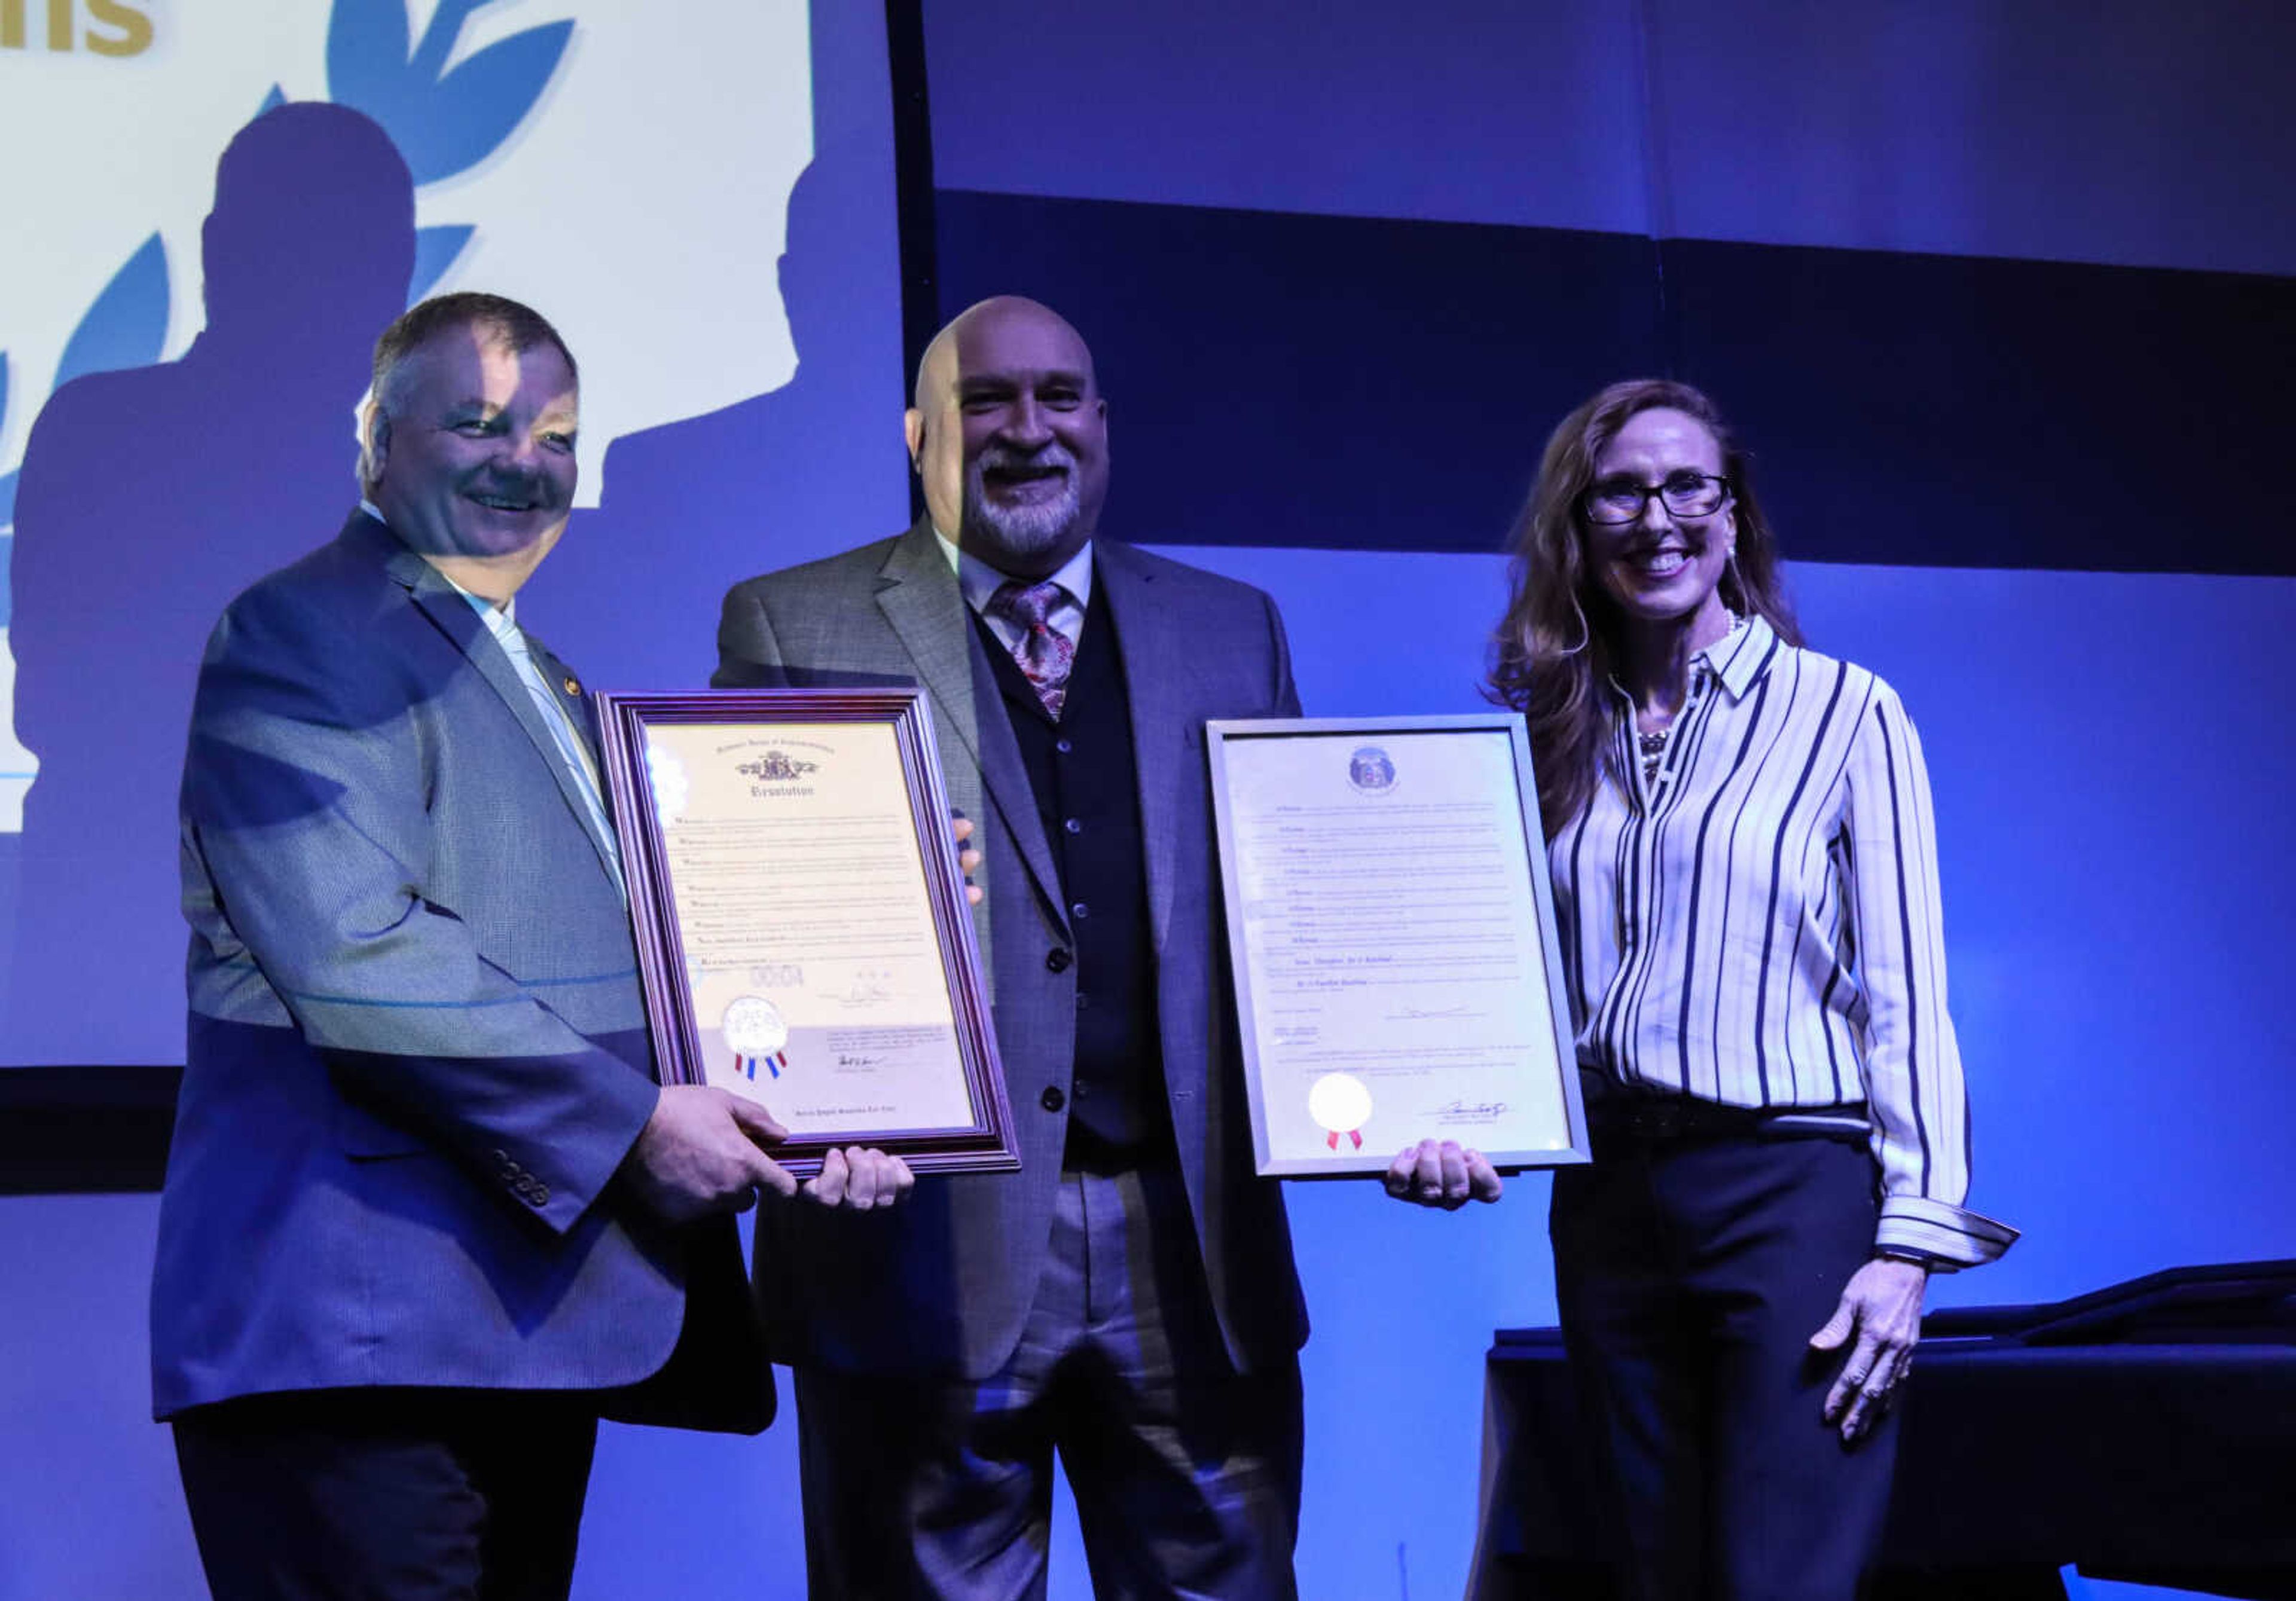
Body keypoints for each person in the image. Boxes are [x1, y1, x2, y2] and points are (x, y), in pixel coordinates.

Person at [151, 292, 911, 1600]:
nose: (527, 461)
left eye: (556, 434)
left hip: (509, 1326)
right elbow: (360, 955)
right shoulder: (304, 630)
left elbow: (671, 942)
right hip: (369, 1339)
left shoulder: (540, 673)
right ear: (378, 443)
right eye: (481, 423)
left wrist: (892, 933)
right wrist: (634, 1128)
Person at [715, 295, 1308, 1599]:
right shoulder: (791, 624)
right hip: (916, 1242)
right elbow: (755, 917)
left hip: (1189, 1244)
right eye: (987, 401)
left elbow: (1303, 920)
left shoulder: (1232, 626)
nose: (1026, 429)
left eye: (1057, 398)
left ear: (1102, 427)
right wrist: (807, 1120)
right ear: (919, 434)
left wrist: (1405, 1105)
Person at [1470, 378, 2017, 1598]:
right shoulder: (1555, 734)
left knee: (1786, 1578)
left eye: (1688, 486)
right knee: (1653, 1578)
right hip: (1606, 1202)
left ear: (1734, 515)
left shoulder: (1847, 712)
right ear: (1578, 519)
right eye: (1620, 489)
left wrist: (1910, 1249)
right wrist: (1458, 1118)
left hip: (1793, 1194)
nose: (1656, 516)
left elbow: (1908, 993)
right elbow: (1520, 994)